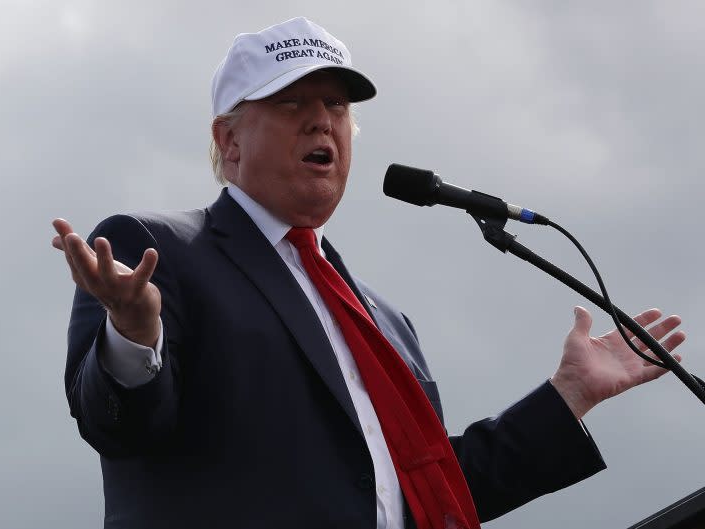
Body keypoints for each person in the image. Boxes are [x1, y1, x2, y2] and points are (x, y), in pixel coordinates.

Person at [51, 17, 685, 529]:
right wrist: (133, 336)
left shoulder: (384, 320)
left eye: (335, 103)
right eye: (290, 101)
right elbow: (119, 426)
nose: (322, 118)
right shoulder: (160, 250)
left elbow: (423, 489)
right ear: (229, 139)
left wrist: (570, 396)